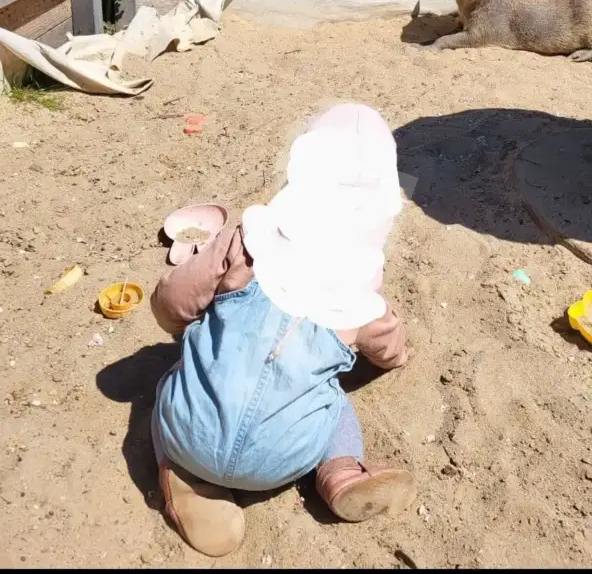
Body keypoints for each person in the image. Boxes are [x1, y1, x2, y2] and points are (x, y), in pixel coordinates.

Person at [149, 103, 416, 557]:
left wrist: (187, 321)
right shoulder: (359, 283)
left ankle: (185, 476)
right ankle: (340, 470)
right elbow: (389, 347)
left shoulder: (244, 241)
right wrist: (398, 351)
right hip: (287, 458)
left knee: (173, 378)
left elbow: (171, 305)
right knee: (332, 398)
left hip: (192, 434)